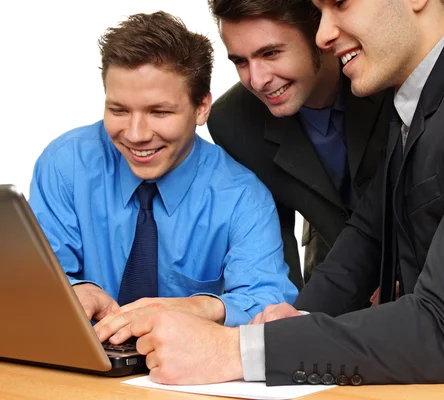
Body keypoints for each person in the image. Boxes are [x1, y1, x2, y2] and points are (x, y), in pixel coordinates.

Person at [127, 0, 444, 388]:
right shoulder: (422, 93)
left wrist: (234, 351)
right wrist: (293, 318)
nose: (323, 34)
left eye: (339, 5)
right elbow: (368, 236)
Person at [28, 11, 297, 344]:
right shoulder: (65, 164)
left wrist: (200, 307)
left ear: (201, 108)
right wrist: (77, 290)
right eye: (119, 110)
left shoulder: (243, 196)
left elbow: (269, 300)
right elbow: (36, 279)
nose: (136, 134)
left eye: (159, 112)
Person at [206, 0, 392, 290]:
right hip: (331, 269)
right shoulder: (231, 122)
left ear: (321, 34)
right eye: (240, 61)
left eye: (270, 53)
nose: (257, 80)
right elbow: (271, 249)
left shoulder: (388, 68)